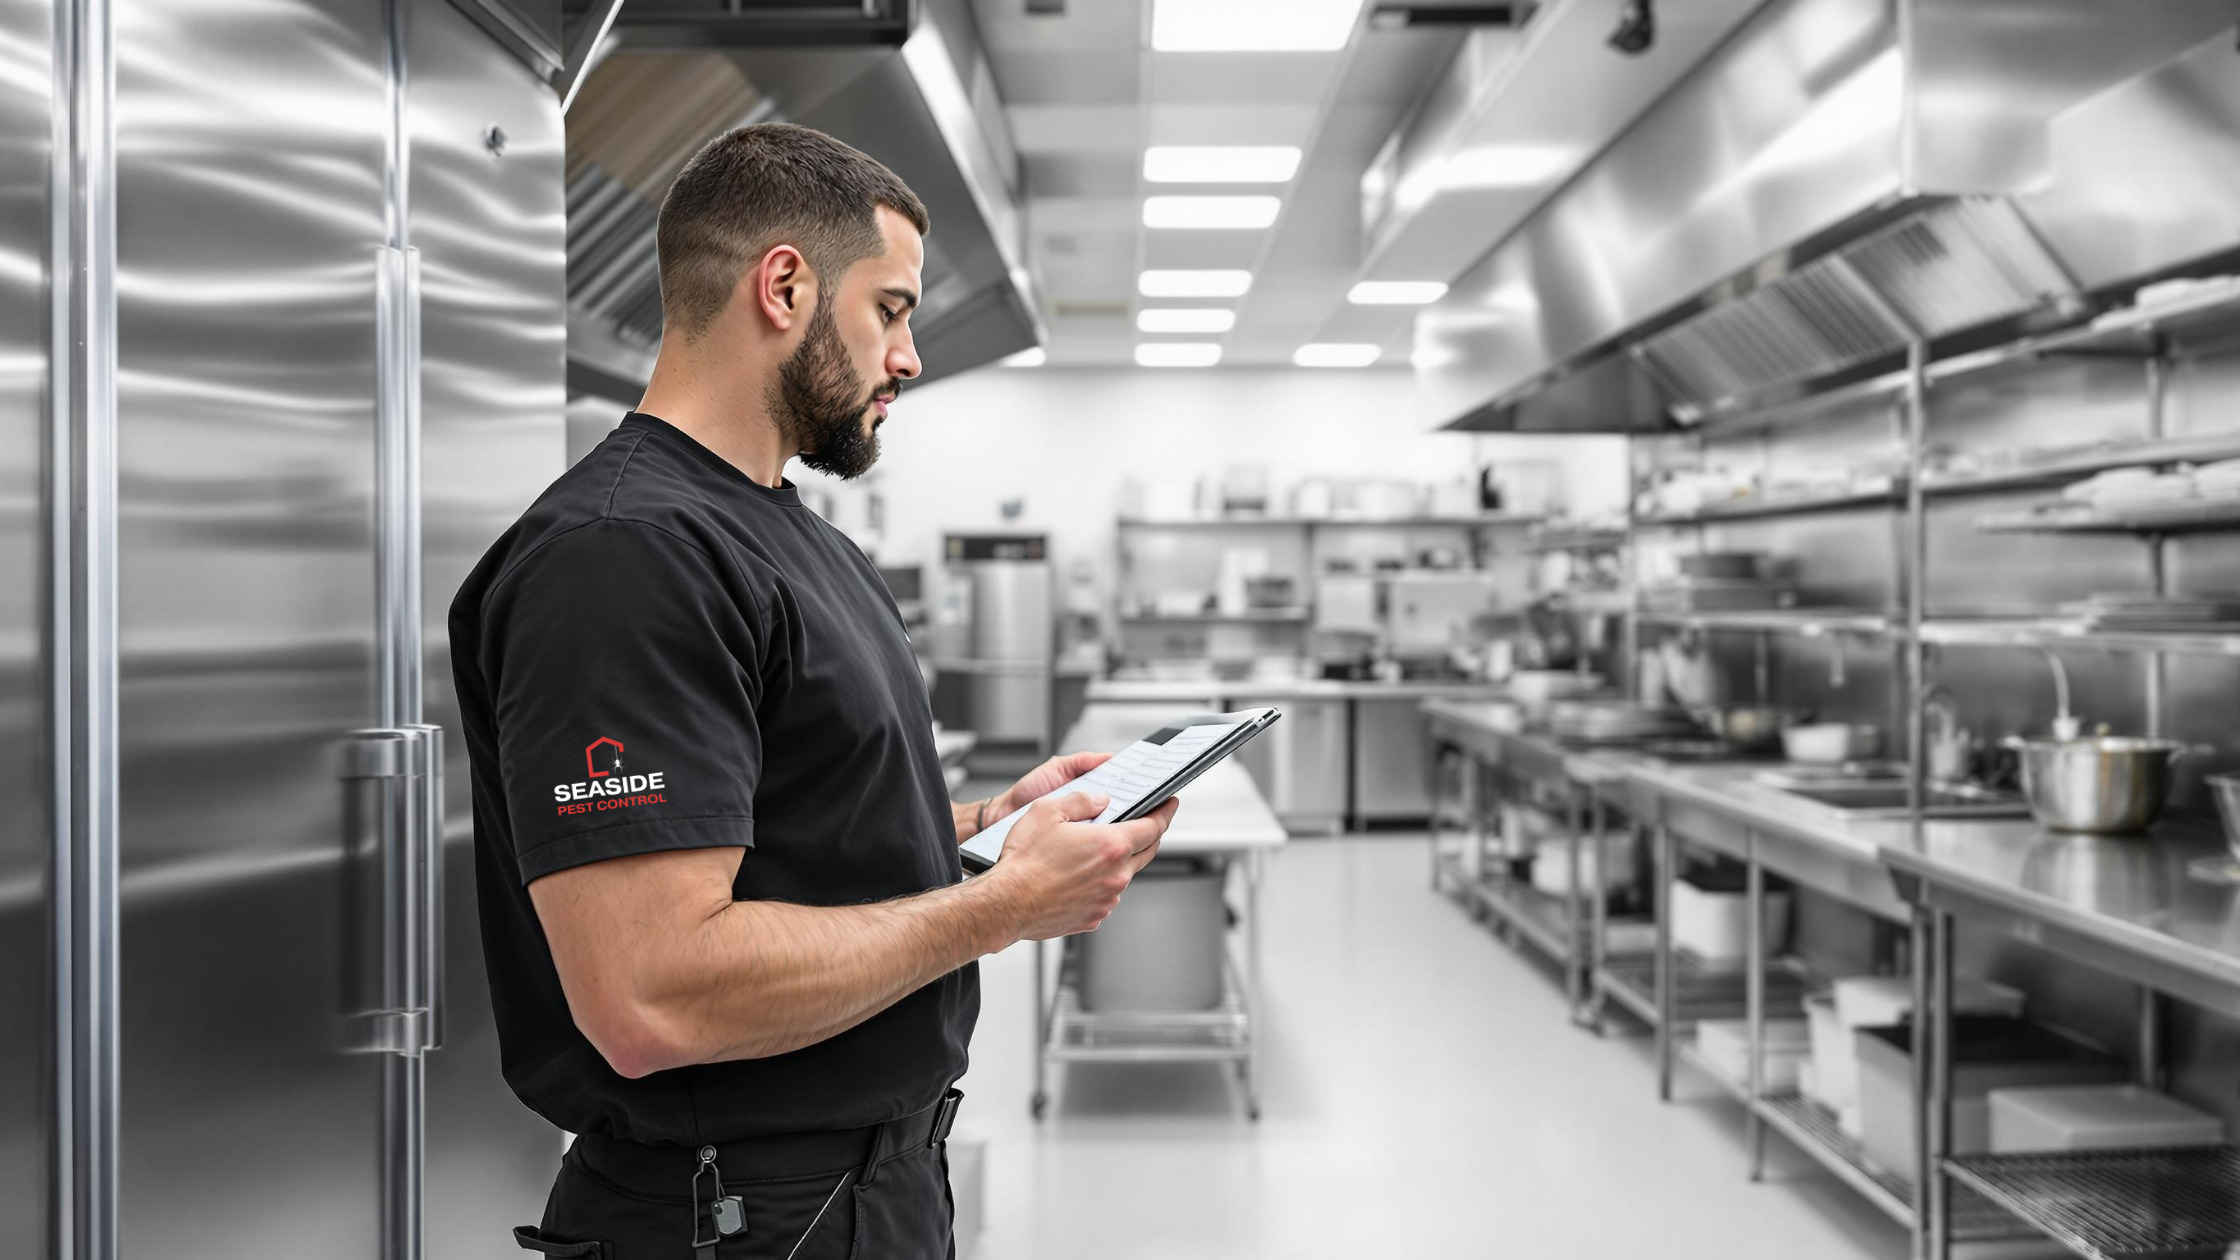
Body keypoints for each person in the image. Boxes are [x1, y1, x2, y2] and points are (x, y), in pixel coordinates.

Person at [449, 122, 1177, 1260]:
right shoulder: (623, 557)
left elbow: (789, 837)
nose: (910, 356)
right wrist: (1003, 908)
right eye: (890, 309)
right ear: (784, 286)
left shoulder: (789, 535)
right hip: (734, 1221)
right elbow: (652, 997)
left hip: (859, 1193)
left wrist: (993, 827)